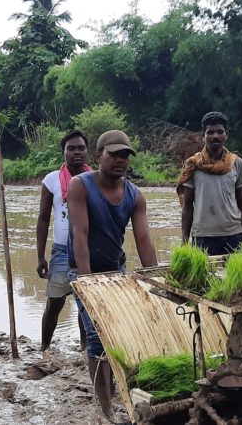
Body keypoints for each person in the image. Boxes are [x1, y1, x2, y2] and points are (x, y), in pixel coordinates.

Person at [67, 129, 157, 419]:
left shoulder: (134, 195)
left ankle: (115, 389)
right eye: (113, 154)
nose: (120, 161)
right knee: (96, 337)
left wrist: (154, 278)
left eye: (125, 156)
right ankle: (105, 410)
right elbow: (79, 234)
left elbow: (143, 240)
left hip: (116, 268)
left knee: (119, 333)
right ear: (98, 157)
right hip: (83, 269)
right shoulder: (81, 186)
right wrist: (87, 281)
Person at [36, 130, 91, 352]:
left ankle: (85, 349)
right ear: (64, 153)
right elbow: (43, 219)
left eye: (81, 148)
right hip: (60, 251)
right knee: (54, 302)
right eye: (71, 148)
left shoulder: (96, 179)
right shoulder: (51, 181)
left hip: (88, 249)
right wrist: (40, 257)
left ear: (87, 152)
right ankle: (44, 347)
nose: (76, 152)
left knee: (85, 305)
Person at [177, 111, 242, 255]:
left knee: (237, 277)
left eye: (219, 131)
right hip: (203, 236)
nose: (215, 136)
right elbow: (187, 207)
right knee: (203, 277)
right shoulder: (192, 165)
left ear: (226, 135)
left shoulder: (236, 163)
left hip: (234, 234)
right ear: (203, 136)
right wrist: (184, 242)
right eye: (210, 132)